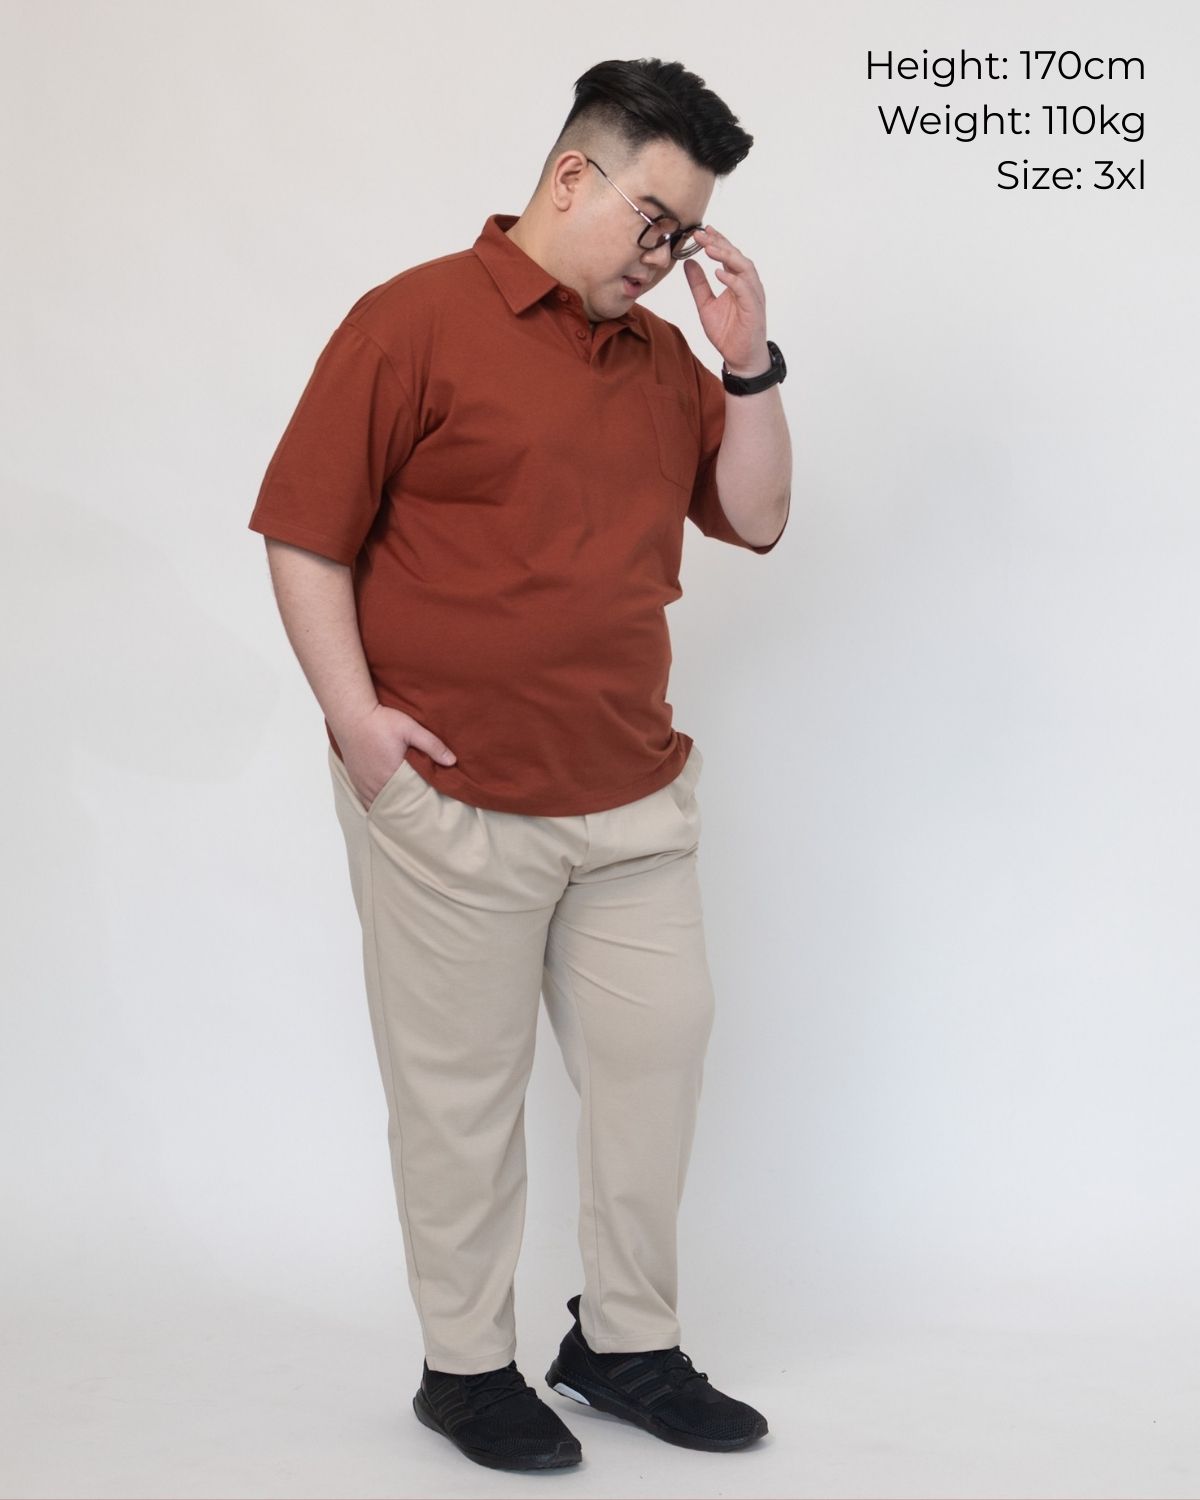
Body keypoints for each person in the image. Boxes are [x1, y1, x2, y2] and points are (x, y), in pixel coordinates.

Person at [248, 55, 791, 1474]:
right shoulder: (412, 321)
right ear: (571, 177)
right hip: (451, 802)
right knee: (461, 1099)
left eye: (689, 234)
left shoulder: (662, 361)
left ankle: (624, 1346)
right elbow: (304, 529)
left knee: (657, 1059)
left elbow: (758, 515)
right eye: (657, 223)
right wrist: (357, 722)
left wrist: (747, 361)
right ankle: (466, 1370)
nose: (668, 257)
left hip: (631, 796)